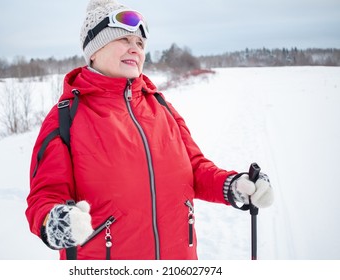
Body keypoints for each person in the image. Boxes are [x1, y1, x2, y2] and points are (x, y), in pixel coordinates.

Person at [26, 0, 274, 260]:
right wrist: (55, 223)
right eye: (124, 39)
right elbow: (44, 197)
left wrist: (233, 186)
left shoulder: (160, 106)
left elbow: (195, 169)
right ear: (94, 50)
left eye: (140, 44)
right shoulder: (66, 117)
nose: (135, 49)